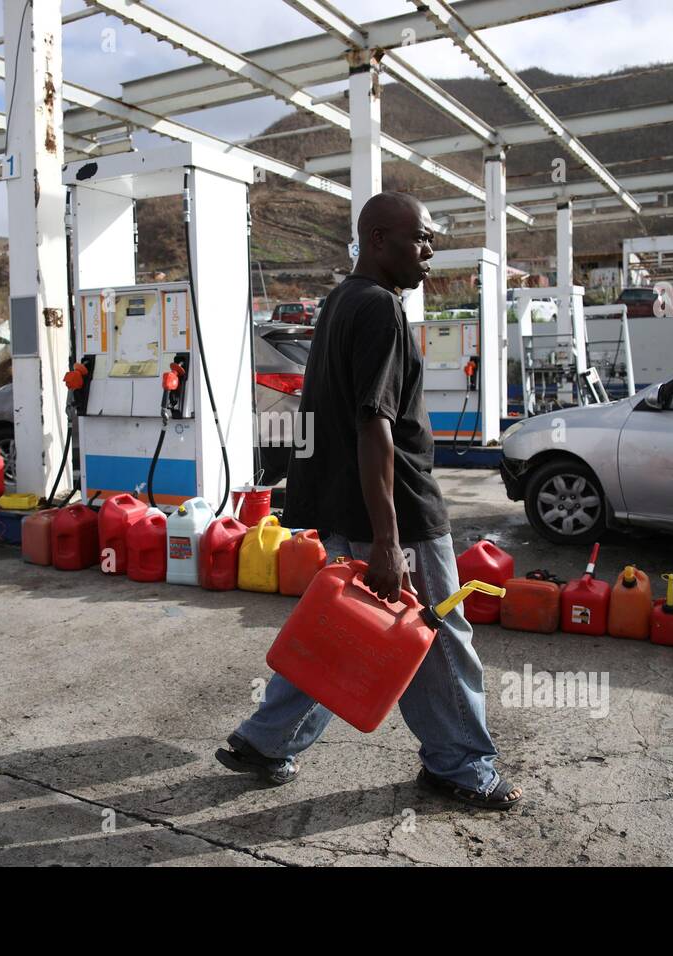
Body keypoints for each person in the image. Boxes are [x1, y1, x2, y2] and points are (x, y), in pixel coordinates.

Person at [215, 191, 523, 811]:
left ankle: (267, 740)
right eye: (421, 238)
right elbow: (373, 424)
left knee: (347, 634)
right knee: (434, 635)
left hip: (345, 506)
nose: (431, 251)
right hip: (396, 512)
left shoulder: (340, 301)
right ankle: (460, 764)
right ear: (379, 239)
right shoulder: (380, 309)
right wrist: (388, 542)